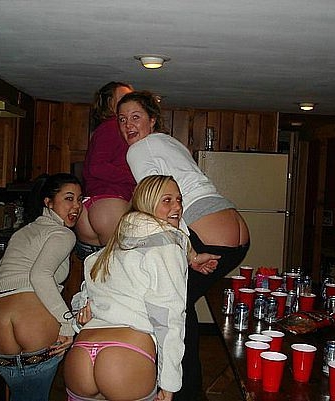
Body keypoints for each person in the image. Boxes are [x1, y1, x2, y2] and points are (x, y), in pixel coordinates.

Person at [117, 91, 251, 401]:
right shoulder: (169, 142)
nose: (128, 126)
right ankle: (185, 388)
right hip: (235, 232)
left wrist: (188, 252)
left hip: (208, 230)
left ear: (152, 120)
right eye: (122, 120)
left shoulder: (138, 150)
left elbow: (160, 205)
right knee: (180, 305)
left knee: (172, 308)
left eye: (136, 117)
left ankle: (180, 391)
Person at [64, 175, 215, 401]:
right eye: (167, 200)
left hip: (81, 355)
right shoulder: (167, 247)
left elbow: (82, 299)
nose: (177, 207)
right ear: (147, 203)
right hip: (125, 356)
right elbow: (169, 318)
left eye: (179, 200)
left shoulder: (109, 250)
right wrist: (169, 382)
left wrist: (79, 319)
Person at [0, 173, 83, 401]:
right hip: (33, 328)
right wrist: (67, 323)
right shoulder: (63, 234)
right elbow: (40, 275)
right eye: (69, 198)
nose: (76, 206)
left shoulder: (20, 233)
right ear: (48, 202)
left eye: (79, 199)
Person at [75, 81, 136, 260]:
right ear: (110, 102)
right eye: (124, 98)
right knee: (121, 269)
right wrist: (134, 177)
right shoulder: (113, 127)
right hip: (110, 204)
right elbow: (97, 167)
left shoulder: (103, 129)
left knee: (97, 272)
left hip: (92, 207)